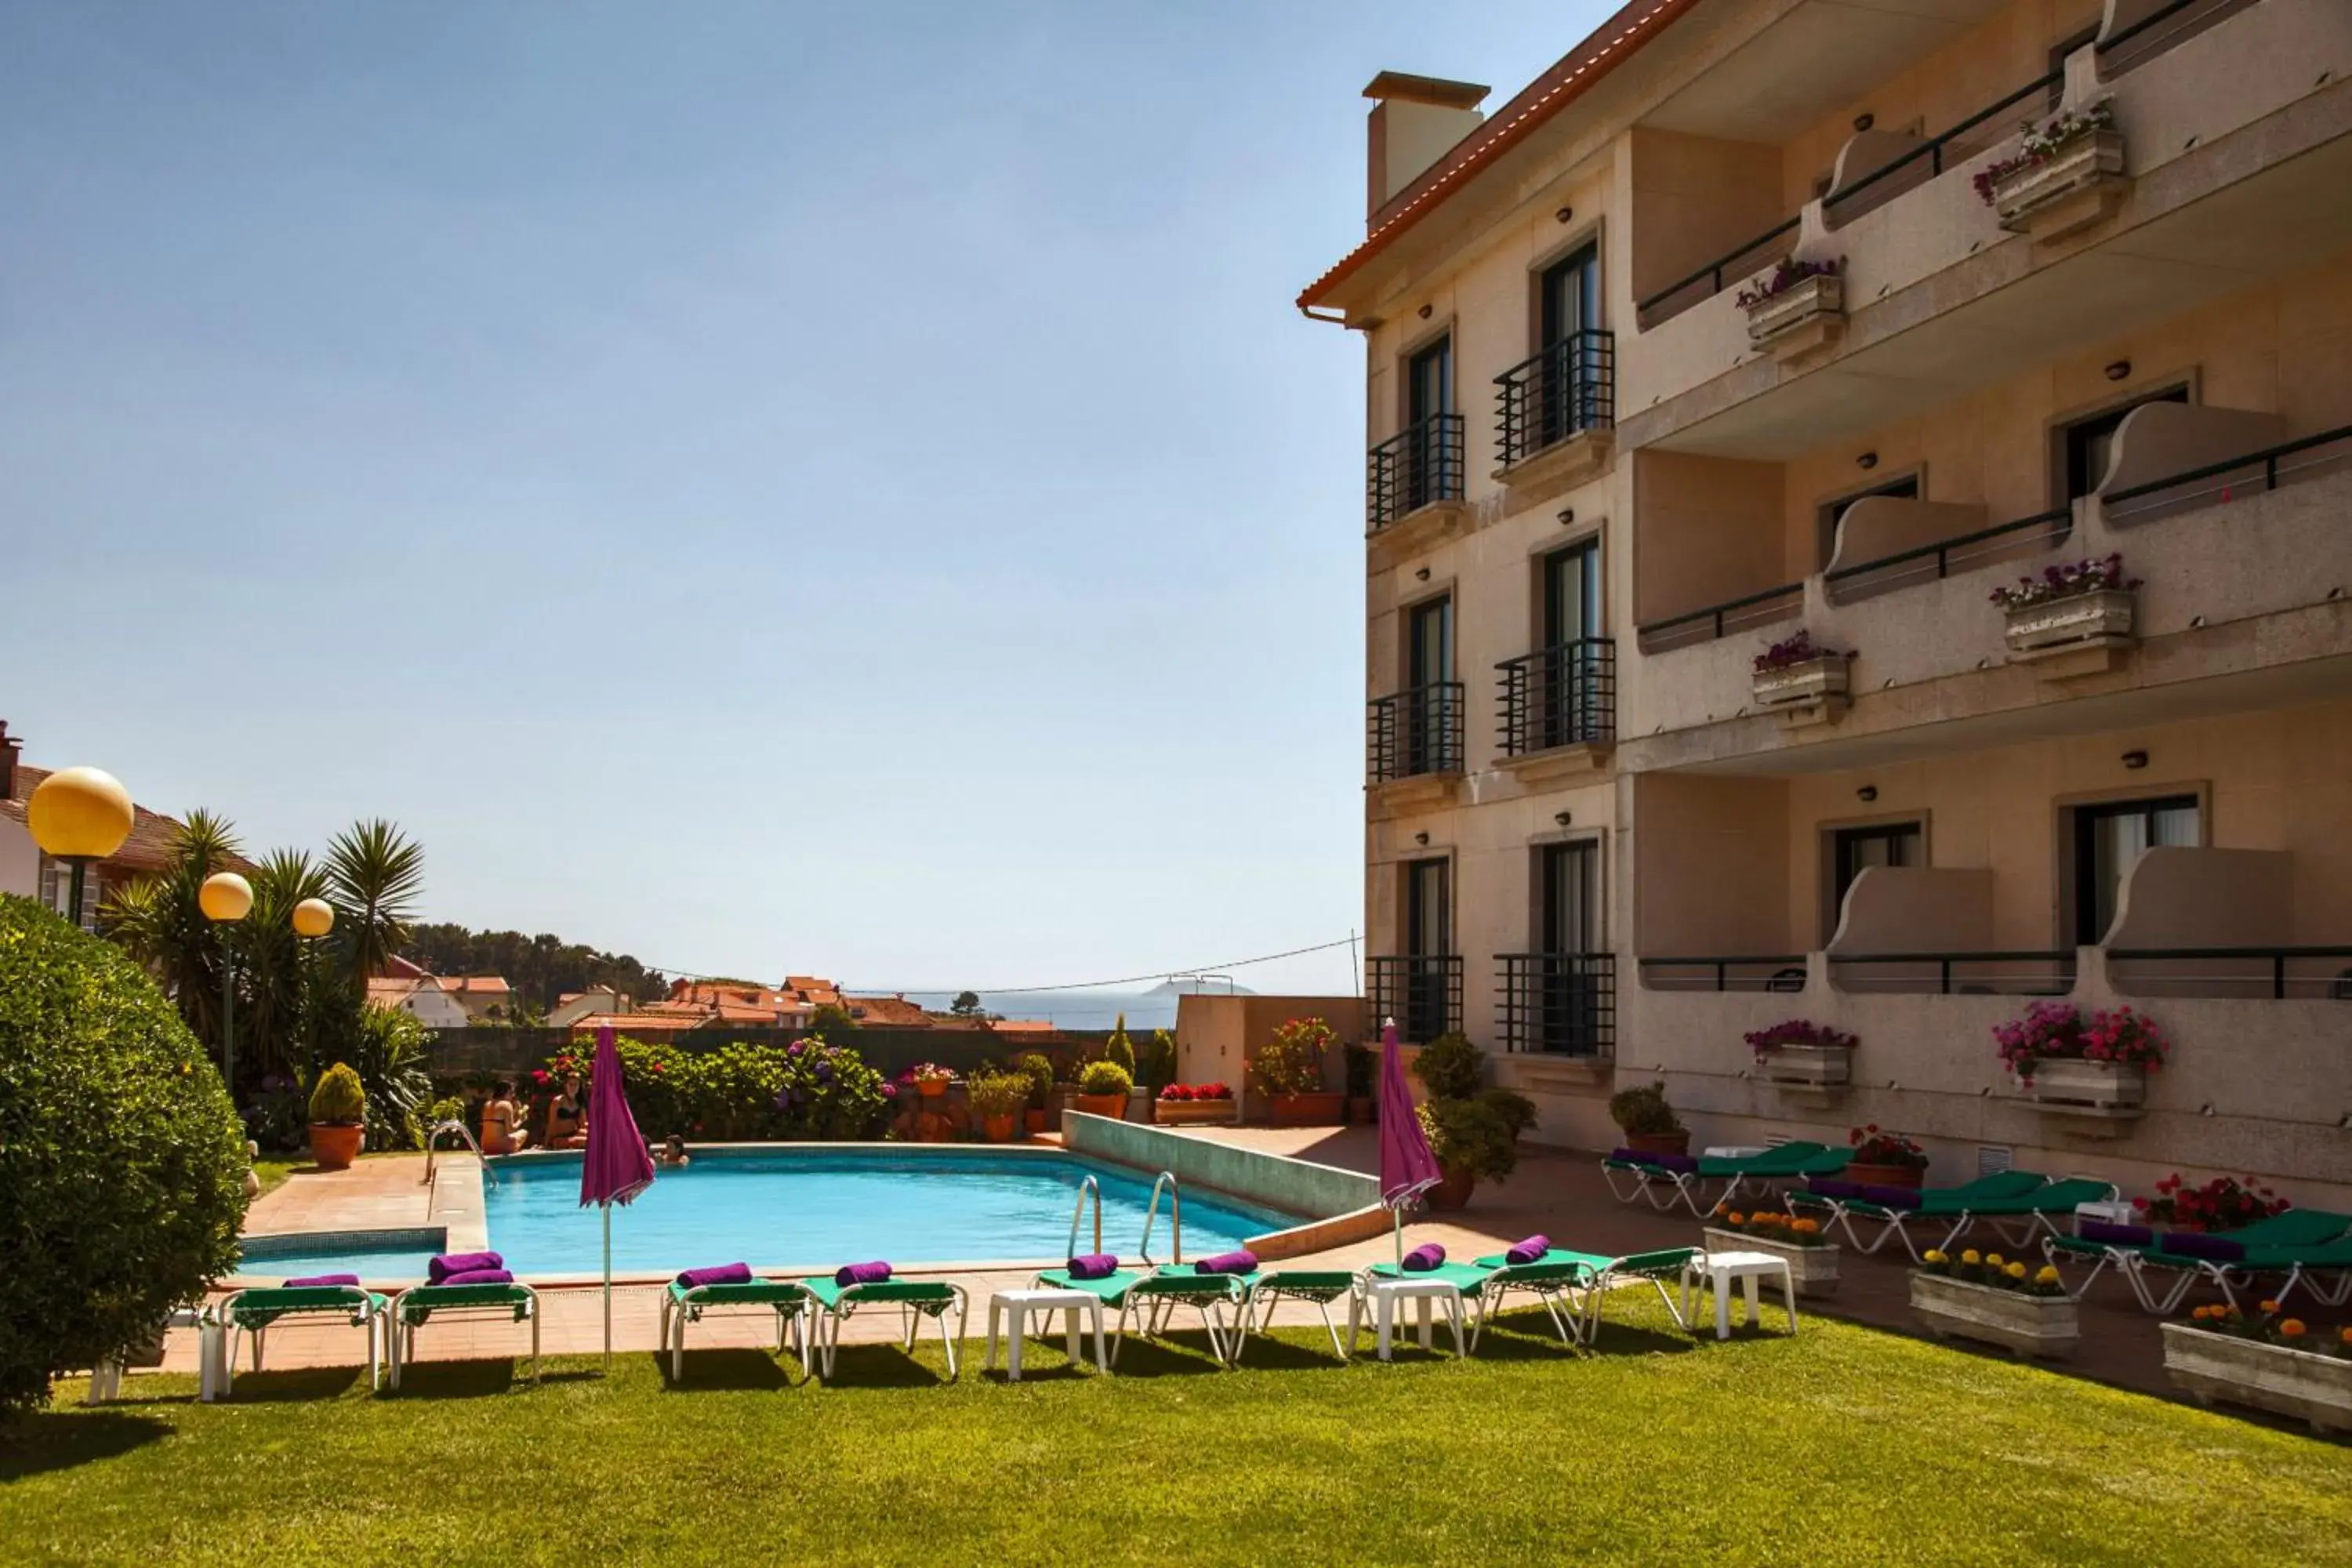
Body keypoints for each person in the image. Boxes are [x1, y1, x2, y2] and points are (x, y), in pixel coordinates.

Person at [481, 1080, 532, 1155]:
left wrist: (515, 1110)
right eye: (511, 1093)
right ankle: (514, 1149)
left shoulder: (487, 1104)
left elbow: (500, 1122)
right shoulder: (507, 1104)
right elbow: (510, 1130)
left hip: (486, 1147)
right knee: (524, 1132)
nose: (513, 1095)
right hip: (501, 1147)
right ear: (505, 1092)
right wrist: (521, 1120)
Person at [546, 1074, 587, 1149]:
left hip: (572, 1134)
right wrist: (548, 1142)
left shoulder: (579, 1103)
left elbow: (584, 1125)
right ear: (566, 1086)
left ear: (579, 1087)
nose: (573, 1087)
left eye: (576, 1085)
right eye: (570, 1084)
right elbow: (551, 1123)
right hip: (558, 1138)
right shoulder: (558, 1101)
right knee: (584, 1141)